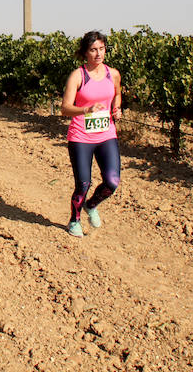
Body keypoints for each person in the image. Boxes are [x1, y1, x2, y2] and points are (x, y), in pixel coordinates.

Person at [60, 30, 123, 237]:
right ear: (85, 52)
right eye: (93, 50)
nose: (98, 54)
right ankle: (74, 221)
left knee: (112, 182)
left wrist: (117, 108)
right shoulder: (77, 76)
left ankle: (91, 205)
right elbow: (65, 108)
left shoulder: (112, 74)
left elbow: (117, 93)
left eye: (102, 49)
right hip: (81, 136)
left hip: (106, 134)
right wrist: (85, 110)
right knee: (83, 183)